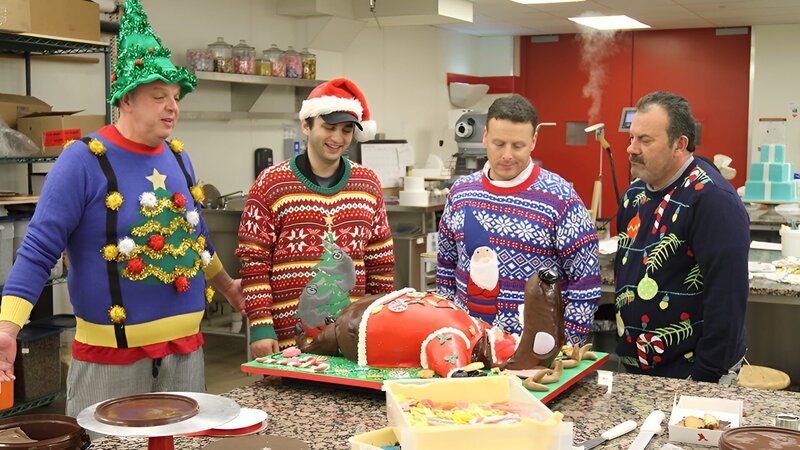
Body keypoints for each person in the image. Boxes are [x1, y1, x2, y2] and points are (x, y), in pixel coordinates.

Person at [0, 0, 243, 417]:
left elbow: (196, 240)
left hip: (187, 356)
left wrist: (228, 288)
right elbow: (39, 248)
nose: (172, 107)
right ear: (127, 99)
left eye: (175, 96)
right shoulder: (83, 160)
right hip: (111, 362)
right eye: (158, 96)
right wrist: (8, 326)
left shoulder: (179, 157)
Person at [236, 78, 395, 357]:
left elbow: (380, 261)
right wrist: (261, 327)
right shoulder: (271, 183)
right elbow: (254, 261)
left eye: (346, 130)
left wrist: (377, 323)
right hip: (286, 342)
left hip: (350, 339)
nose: (337, 138)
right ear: (306, 125)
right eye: (329, 127)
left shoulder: (367, 183)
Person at [437, 94, 601, 345]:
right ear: (484, 138)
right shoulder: (461, 194)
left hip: (536, 353)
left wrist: (566, 346)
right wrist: (449, 330)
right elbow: (446, 266)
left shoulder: (560, 198)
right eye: (498, 143)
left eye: (518, 145)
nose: (506, 155)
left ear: (534, 141)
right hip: (468, 345)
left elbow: (585, 281)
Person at [614, 91, 749, 383]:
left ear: (680, 144)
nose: (631, 149)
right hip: (636, 368)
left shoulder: (712, 200)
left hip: (693, 373)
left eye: (645, 140)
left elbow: (727, 301)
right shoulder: (633, 196)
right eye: (631, 138)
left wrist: (704, 377)